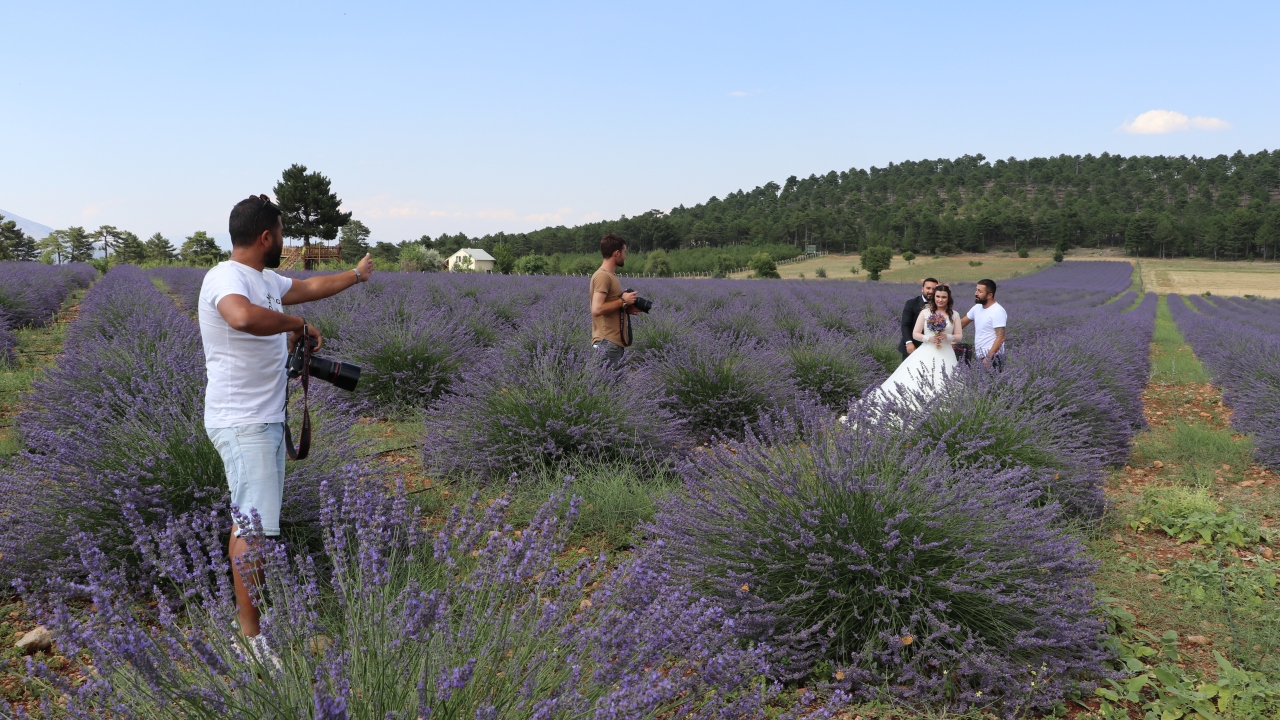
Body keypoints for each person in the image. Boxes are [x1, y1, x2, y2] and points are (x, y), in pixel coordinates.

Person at [198, 194, 373, 659]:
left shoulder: (266, 279)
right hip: (243, 422)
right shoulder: (226, 277)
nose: (285, 240)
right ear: (266, 236)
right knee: (252, 527)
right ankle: (251, 642)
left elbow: (313, 286)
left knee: (254, 521)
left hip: (265, 421)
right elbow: (240, 316)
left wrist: (355, 276)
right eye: (281, 232)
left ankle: (253, 626)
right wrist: (295, 323)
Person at [865, 284, 963, 410]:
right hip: (927, 350)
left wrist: (947, 337)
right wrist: (929, 338)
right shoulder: (925, 312)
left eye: (944, 297)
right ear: (934, 297)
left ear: (948, 298)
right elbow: (915, 334)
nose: (940, 300)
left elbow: (959, 336)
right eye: (938, 296)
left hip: (946, 352)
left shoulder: (954, 315)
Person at [590, 233, 640, 367]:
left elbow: (607, 306)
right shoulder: (603, 276)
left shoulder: (610, 276)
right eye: (624, 252)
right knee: (608, 387)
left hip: (612, 344)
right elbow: (597, 309)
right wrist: (623, 301)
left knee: (612, 386)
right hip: (607, 344)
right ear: (617, 253)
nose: (626, 256)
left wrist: (625, 308)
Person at [961, 278, 1007, 370]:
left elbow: (1001, 337)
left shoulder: (998, 311)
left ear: (990, 295)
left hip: (993, 358)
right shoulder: (977, 307)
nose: (976, 293)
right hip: (980, 356)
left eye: (979, 291)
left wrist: (988, 358)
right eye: (976, 290)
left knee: (993, 383)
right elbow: (962, 323)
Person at [900, 277, 939, 357]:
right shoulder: (911, 303)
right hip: (914, 346)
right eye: (928, 288)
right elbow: (905, 325)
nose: (931, 291)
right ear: (922, 289)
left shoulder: (940, 305)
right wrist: (909, 342)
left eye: (934, 289)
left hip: (933, 348)